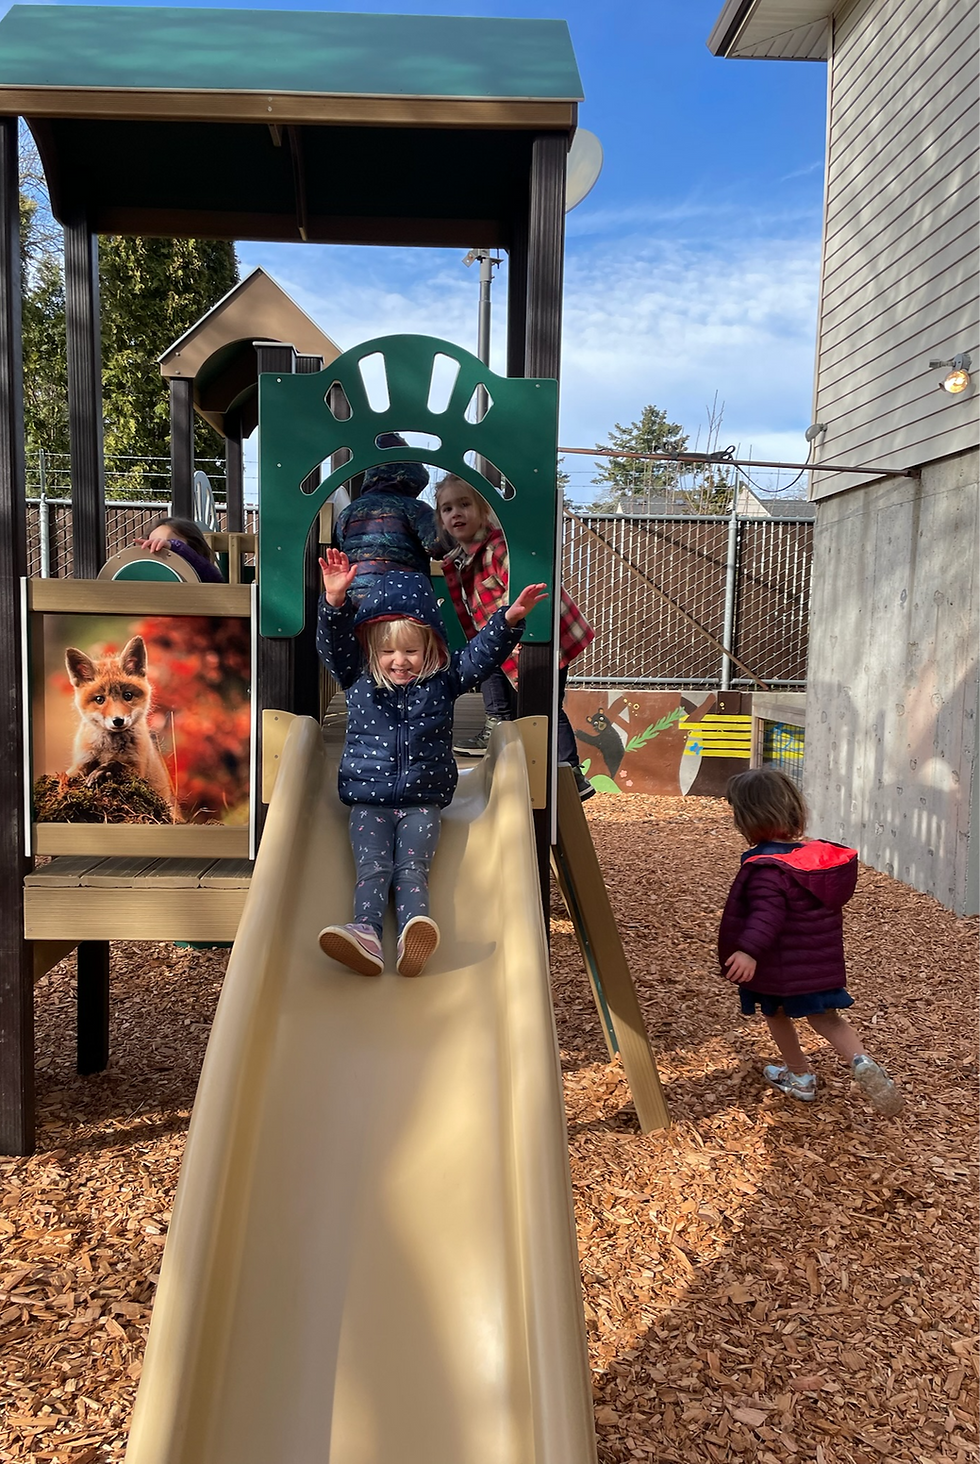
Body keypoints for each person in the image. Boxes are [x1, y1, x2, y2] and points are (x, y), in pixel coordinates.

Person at [315, 547, 546, 979]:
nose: (399, 661)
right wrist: (334, 603)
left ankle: (412, 933)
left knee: (412, 868)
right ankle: (365, 932)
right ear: (371, 649)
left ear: (432, 648)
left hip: (424, 801)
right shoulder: (358, 678)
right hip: (368, 800)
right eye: (389, 652)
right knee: (373, 866)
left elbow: (481, 655)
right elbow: (332, 646)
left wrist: (509, 620)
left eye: (411, 651)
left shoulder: (443, 682)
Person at [718, 767, 903, 1115]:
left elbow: (766, 916)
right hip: (820, 965)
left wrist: (748, 950)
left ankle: (800, 1076)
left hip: (781, 969)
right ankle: (862, 1060)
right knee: (828, 1019)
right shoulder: (817, 863)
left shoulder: (766, 870)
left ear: (747, 819)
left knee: (776, 1013)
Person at [435, 475, 596, 800]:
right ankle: (499, 729)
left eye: (465, 504)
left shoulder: (498, 548)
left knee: (543, 707)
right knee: (496, 676)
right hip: (504, 640)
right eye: (447, 508)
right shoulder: (462, 557)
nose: (456, 514)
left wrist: (530, 630)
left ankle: (570, 774)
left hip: (537, 640)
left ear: (484, 510)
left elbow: (524, 588)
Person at [333, 432, 442, 605]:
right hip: (405, 600)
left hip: (359, 602)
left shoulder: (348, 512)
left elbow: (338, 550)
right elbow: (438, 545)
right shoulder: (415, 509)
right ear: (411, 472)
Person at [136, 516, 224, 583]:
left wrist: (175, 547)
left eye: (166, 545)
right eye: (152, 544)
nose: (159, 549)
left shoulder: (203, 572)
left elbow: (208, 572)